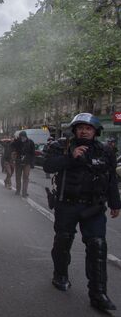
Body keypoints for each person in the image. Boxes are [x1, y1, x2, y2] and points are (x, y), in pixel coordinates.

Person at [44, 113, 120, 312]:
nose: (84, 131)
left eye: (88, 128)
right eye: (80, 128)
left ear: (95, 131)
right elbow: (48, 165)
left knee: (97, 246)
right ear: (74, 130)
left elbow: (111, 178)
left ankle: (98, 293)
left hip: (93, 207)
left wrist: (115, 203)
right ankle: (60, 274)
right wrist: (70, 157)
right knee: (63, 240)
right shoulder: (61, 146)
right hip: (67, 205)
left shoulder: (105, 151)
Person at [11, 131, 35, 197]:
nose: (22, 138)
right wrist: (15, 141)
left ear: (26, 136)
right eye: (21, 137)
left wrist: (32, 163)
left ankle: (24, 192)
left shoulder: (30, 142)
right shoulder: (17, 142)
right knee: (18, 177)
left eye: (23, 137)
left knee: (26, 177)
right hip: (18, 162)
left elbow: (33, 154)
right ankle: (18, 190)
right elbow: (11, 146)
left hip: (27, 162)